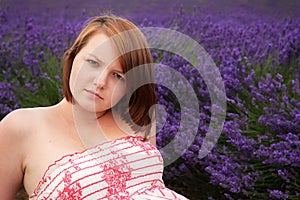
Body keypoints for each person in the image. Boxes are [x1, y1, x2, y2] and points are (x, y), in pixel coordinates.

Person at [0, 15, 188, 199]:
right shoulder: (21, 127)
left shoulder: (137, 119)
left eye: (117, 75)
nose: (100, 82)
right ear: (73, 56)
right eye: (93, 63)